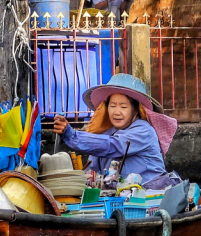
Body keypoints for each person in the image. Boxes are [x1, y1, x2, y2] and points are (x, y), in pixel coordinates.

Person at [52, 74, 180, 190]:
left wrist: (71, 135)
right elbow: (93, 170)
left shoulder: (144, 131)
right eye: (112, 106)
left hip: (151, 196)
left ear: (136, 110)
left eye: (123, 107)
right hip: (119, 199)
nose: (117, 112)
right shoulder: (106, 134)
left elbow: (113, 145)